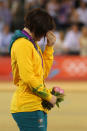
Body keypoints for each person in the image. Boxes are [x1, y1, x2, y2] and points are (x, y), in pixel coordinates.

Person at [9, 8, 56, 131]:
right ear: (37, 28)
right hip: (27, 106)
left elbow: (42, 74)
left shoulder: (31, 44)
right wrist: (48, 96)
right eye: (44, 32)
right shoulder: (23, 44)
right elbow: (28, 78)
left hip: (34, 105)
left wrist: (49, 48)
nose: (44, 36)